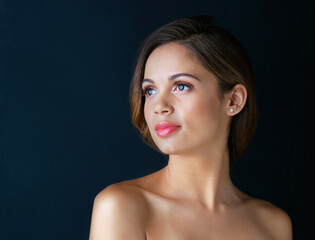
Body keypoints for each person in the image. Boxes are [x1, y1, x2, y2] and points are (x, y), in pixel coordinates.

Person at [89, 15, 293, 239]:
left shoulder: (273, 225)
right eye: (150, 91)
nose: (159, 106)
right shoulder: (122, 206)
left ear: (233, 100)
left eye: (181, 86)